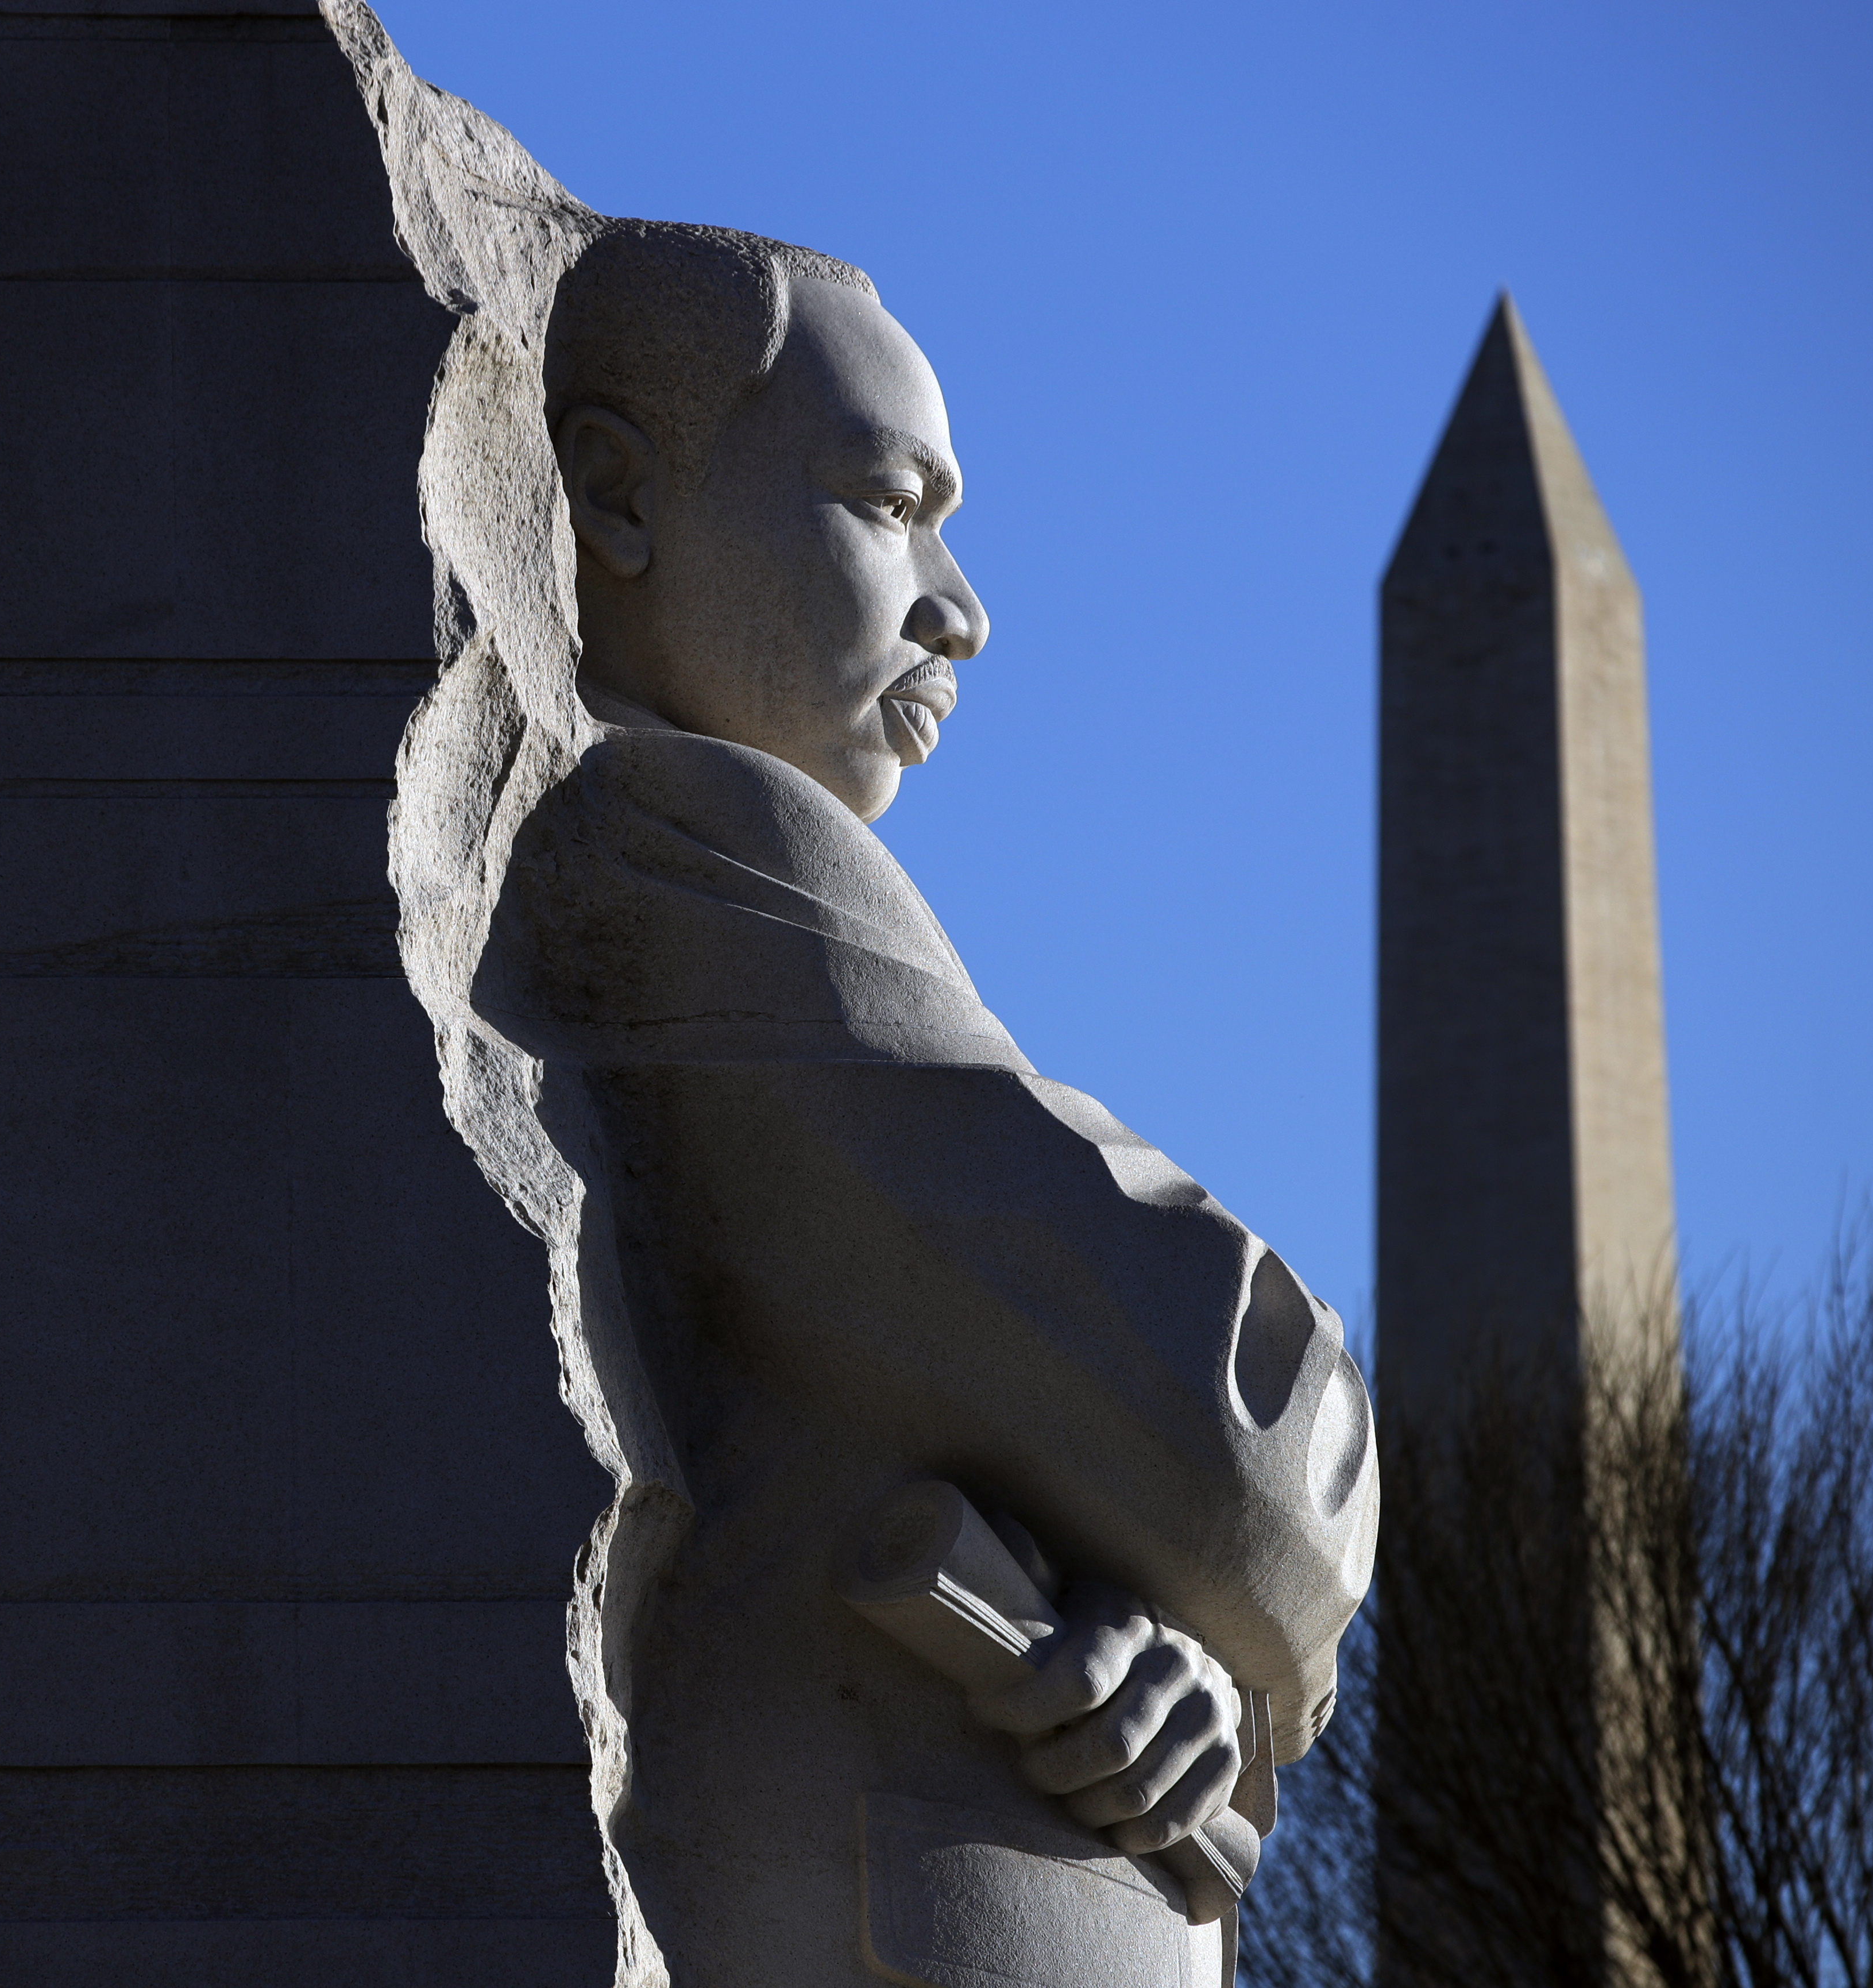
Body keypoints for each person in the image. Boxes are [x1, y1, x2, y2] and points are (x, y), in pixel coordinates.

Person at [469, 222, 1378, 1987]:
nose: (960, 606)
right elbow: (1242, 1437)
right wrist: (1235, 1571)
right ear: (618, 497)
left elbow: (1074, 1460)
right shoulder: (693, 842)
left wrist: (1182, 1647)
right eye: (892, 506)